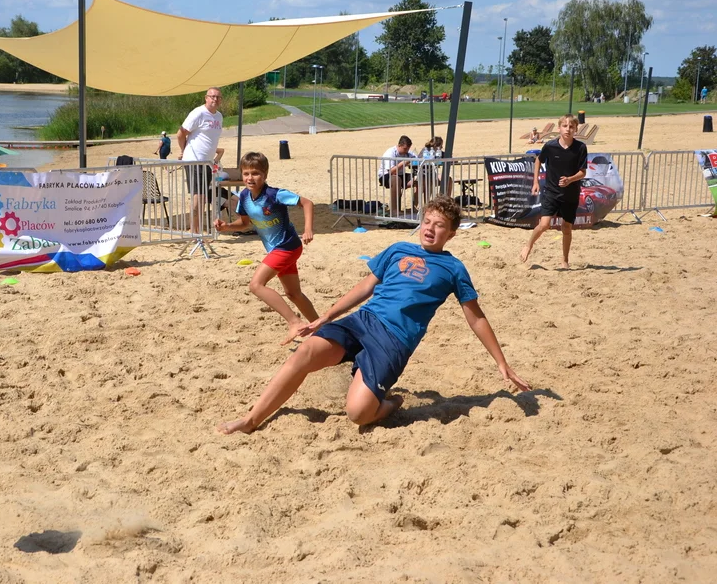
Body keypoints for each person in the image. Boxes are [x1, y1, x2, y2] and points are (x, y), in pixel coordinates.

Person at [218, 195, 531, 435]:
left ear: (451, 234)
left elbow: (475, 317)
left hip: (394, 341)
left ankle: (390, 401)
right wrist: (326, 317)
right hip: (363, 321)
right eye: (428, 221)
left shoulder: (453, 269)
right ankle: (251, 418)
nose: (431, 229)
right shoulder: (397, 250)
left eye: (439, 226)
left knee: (359, 414)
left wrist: (501, 362)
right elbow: (365, 286)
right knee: (305, 352)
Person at [215, 152, 317, 343]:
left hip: (286, 246)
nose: (250, 178)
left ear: (265, 175)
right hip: (278, 249)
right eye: (246, 174)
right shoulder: (244, 196)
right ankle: (322, 327)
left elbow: (307, 203)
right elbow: (244, 223)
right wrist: (227, 226)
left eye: (255, 173)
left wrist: (308, 229)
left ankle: (294, 322)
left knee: (256, 285)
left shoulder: (275, 194)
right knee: (293, 293)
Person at [519, 113, 588, 270]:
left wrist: (570, 179)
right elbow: (538, 160)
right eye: (565, 126)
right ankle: (528, 245)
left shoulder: (580, 148)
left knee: (567, 228)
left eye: (571, 126)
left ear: (576, 129)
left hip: (570, 194)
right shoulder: (550, 146)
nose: (568, 129)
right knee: (544, 225)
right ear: (559, 128)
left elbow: (583, 172)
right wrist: (535, 182)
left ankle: (564, 260)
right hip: (551, 191)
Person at [177, 87, 224, 234]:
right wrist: (183, 151)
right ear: (206, 98)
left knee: (203, 196)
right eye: (212, 96)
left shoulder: (219, 116)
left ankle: (197, 228)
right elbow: (180, 133)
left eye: (217, 97)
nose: (214, 99)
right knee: (198, 196)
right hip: (194, 159)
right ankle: (194, 230)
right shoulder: (199, 113)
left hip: (207, 162)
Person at [377, 135, 417, 215]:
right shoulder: (390, 153)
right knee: (396, 179)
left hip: (401, 175)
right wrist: (402, 163)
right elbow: (391, 171)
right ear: (399, 145)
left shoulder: (408, 153)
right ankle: (394, 210)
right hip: (386, 175)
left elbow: (416, 159)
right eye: (405, 149)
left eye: (408, 149)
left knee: (419, 179)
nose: (407, 151)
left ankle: (415, 207)